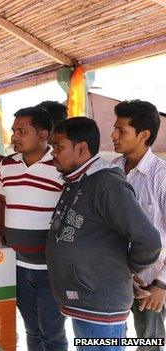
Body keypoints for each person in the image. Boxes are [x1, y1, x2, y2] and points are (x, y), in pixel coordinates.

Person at [48, 117, 161, 350]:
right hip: (87, 300)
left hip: (99, 304)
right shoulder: (78, 179)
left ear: (81, 148)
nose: (53, 153)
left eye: (58, 147)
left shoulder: (106, 183)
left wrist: (126, 268)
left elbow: (148, 241)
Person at [0, 106, 67, 350]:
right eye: (14, 130)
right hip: (17, 265)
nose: (15, 136)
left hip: (51, 268)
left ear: (42, 134)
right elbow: (2, 200)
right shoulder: (7, 165)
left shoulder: (60, 166)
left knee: (52, 333)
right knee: (31, 329)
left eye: (22, 131)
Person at [111, 100, 166, 350]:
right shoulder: (110, 172)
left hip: (152, 283)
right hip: (120, 280)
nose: (113, 135)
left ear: (143, 135)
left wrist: (162, 285)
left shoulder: (161, 177)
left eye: (121, 130)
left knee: (149, 344)